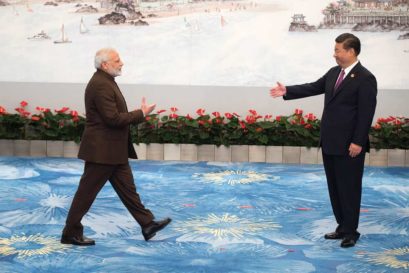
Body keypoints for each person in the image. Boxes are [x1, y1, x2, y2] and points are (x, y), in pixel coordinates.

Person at [270, 33, 377, 248]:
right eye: (335, 49)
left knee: (349, 188)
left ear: (351, 51)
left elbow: (366, 113)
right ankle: (342, 227)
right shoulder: (334, 72)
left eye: (338, 50)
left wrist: (357, 142)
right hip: (330, 142)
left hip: (350, 146)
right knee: (335, 188)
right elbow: (314, 87)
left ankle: (351, 232)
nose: (334, 54)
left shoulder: (365, 78)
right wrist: (287, 91)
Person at [61, 48, 171, 246]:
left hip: (112, 151)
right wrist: (141, 114)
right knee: (86, 194)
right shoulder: (101, 85)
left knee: (128, 190)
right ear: (105, 65)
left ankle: (147, 224)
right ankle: (70, 233)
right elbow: (112, 119)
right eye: (117, 60)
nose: (122, 63)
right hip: (102, 152)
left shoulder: (105, 81)